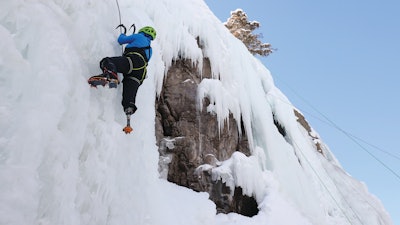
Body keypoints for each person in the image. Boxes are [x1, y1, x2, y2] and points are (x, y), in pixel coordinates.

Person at [88, 26, 156, 116]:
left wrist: (123, 34)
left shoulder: (139, 36)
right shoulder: (150, 50)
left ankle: (110, 76)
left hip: (132, 62)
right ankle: (129, 107)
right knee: (129, 92)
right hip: (140, 73)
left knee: (108, 61)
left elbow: (121, 40)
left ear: (142, 31)